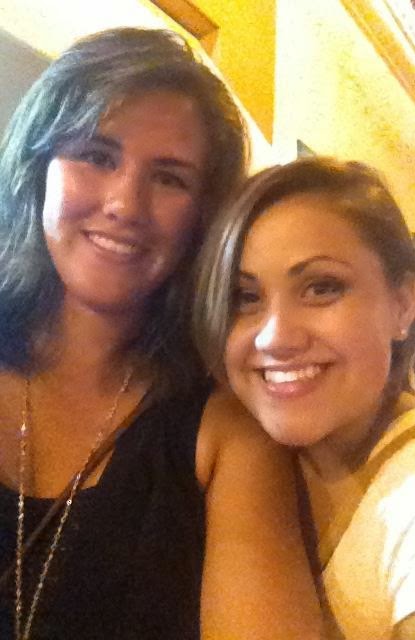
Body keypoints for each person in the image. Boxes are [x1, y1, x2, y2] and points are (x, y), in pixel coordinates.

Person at [0, 28, 324, 639]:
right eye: (96, 155)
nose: (125, 204)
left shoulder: (226, 434)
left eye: (170, 178)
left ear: (204, 219)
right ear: (38, 166)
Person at [194, 156, 415, 640]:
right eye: (245, 297)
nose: (275, 337)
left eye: (321, 288)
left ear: (402, 304)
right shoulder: (258, 467)